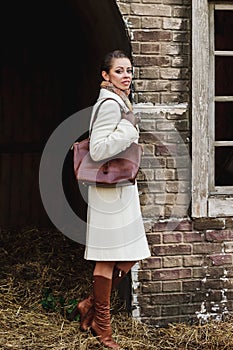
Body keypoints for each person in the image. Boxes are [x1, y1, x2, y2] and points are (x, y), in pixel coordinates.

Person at [70, 50, 151, 349]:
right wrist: (128, 129)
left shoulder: (120, 102)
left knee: (131, 253)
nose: (126, 75)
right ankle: (102, 327)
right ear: (105, 76)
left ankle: (89, 305)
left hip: (120, 189)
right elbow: (99, 150)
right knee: (107, 259)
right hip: (108, 193)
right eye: (119, 71)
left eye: (129, 70)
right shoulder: (108, 104)